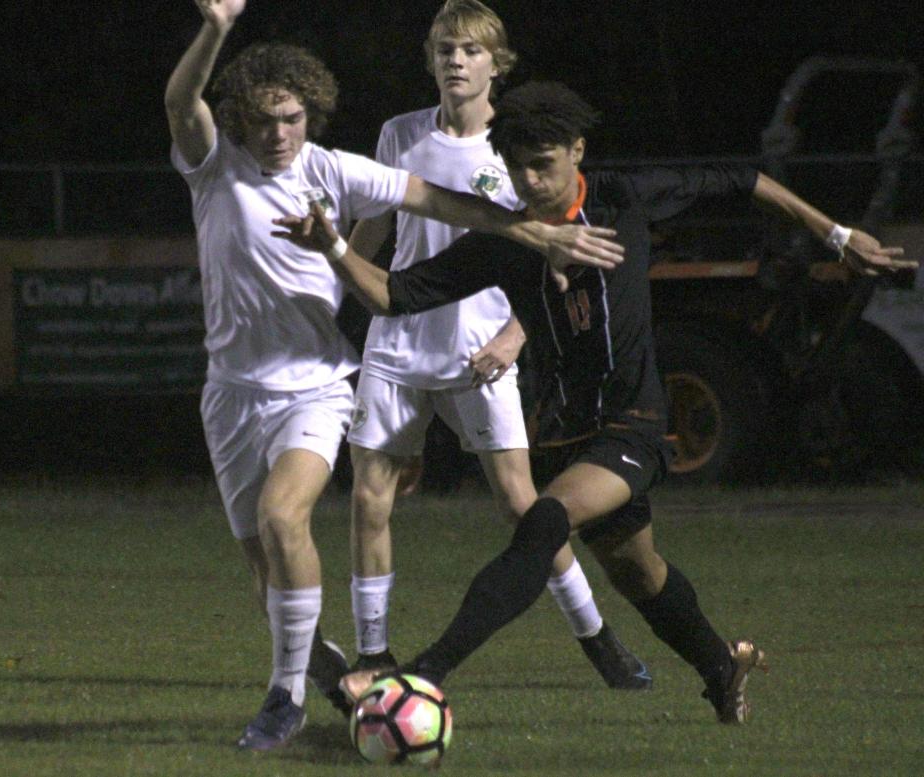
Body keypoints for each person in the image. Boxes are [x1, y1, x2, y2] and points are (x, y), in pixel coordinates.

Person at [276, 81, 913, 725]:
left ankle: (420, 677)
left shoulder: (623, 197)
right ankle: (722, 665)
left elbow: (739, 179)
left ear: (577, 151)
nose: (529, 180)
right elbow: (393, 296)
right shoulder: (506, 238)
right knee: (638, 574)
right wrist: (332, 245)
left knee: (544, 522)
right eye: (517, 166)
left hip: (632, 422)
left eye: (544, 163)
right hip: (559, 430)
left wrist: (837, 234)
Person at [165, 0, 624, 751]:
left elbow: (446, 203)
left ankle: (282, 698)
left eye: (294, 117)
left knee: (288, 519)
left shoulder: (332, 171)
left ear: (310, 114)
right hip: (230, 394)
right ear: (240, 122)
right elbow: (180, 101)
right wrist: (215, 28)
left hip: (314, 384)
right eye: (266, 121)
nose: (282, 134)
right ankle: (317, 663)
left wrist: (540, 234)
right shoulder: (214, 167)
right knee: (263, 567)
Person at [343, 0, 650, 690]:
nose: (457, 60)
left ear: (496, 63)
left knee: (523, 504)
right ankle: (373, 654)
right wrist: (345, 309)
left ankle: (598, 638)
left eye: (471, 50)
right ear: (430, 58)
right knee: (369, 498)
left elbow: (549, 250)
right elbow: (371, 230)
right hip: (396, 343)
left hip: (480, 344)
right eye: (446, 48)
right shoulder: (399, 133)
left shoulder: (511, 147)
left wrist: (517, 333)